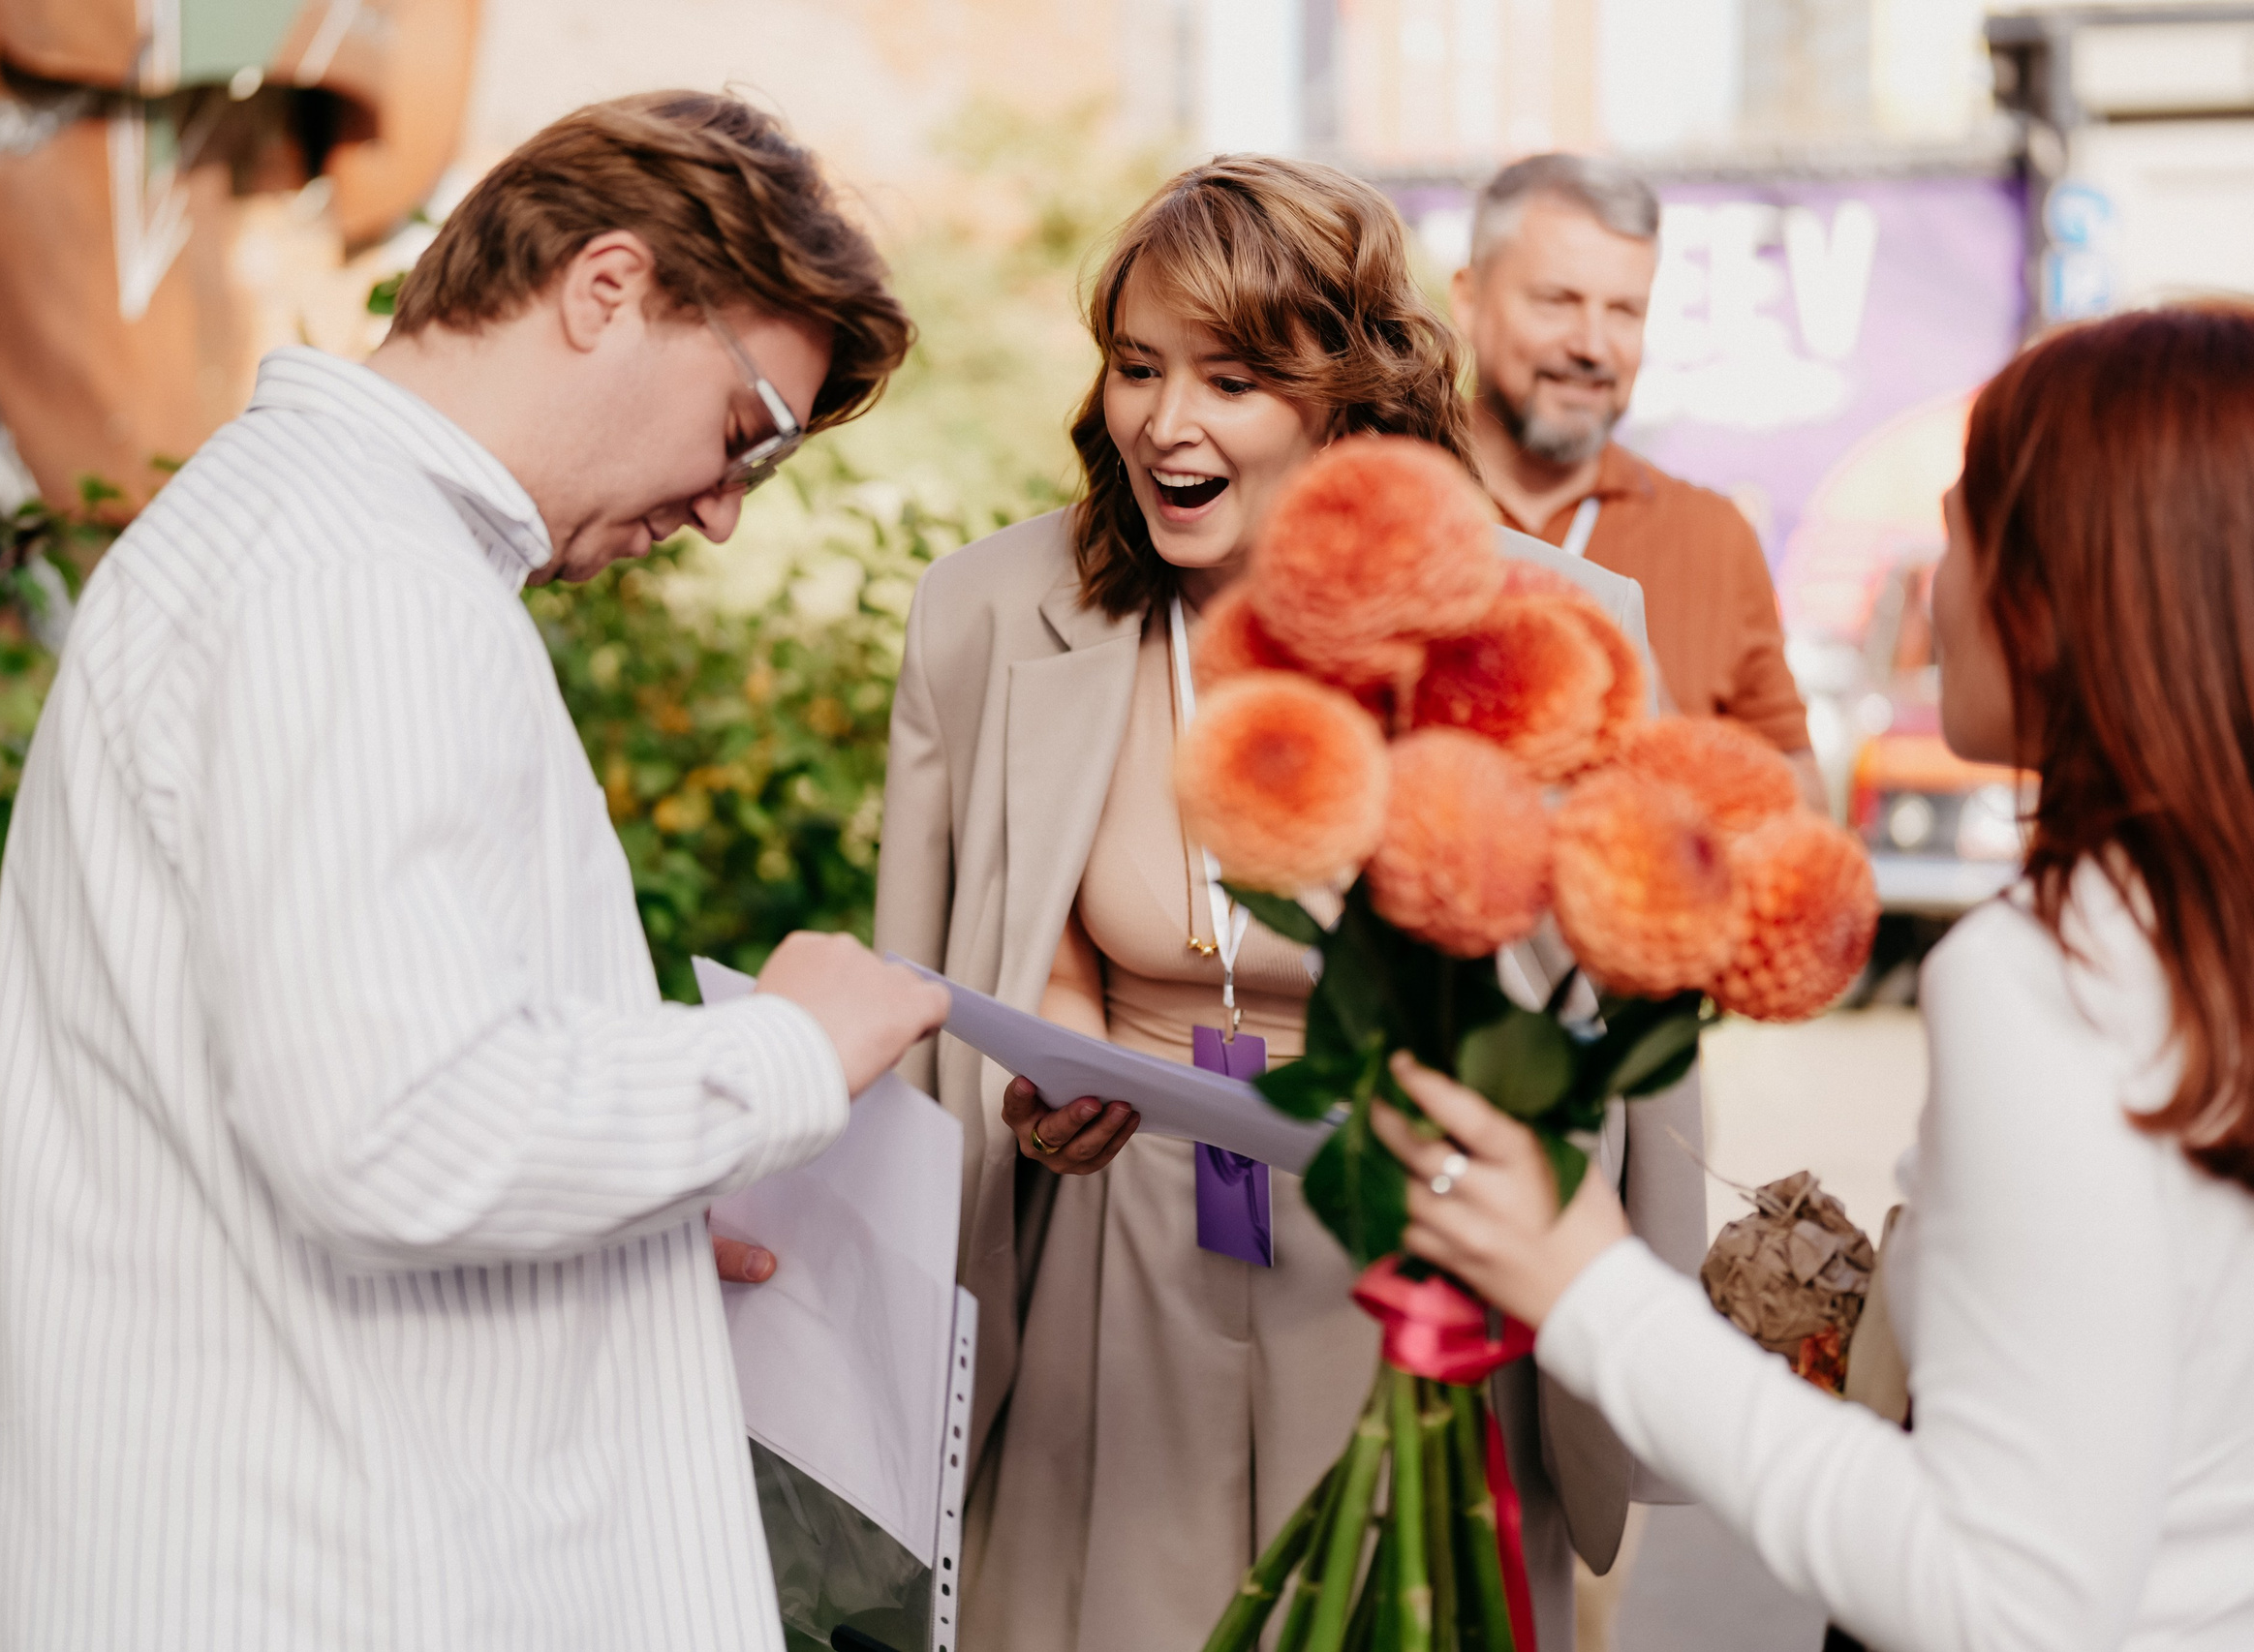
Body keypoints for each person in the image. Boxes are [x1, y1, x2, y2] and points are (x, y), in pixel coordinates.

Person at [0, 92, 949, 1651]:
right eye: (746, 429)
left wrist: (618, 1248)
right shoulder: (366, 583)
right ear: (607, 287)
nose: (720, 512)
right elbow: (393, 1130)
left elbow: (345, 1089)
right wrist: (787, 1053)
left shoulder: (293, 529)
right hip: (333, 1585)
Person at [872, 155, 1704, 1652]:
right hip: (1105, 1263)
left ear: (1349, 398)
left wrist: (1645, 1338)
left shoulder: (1557, 627)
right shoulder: (986, 613)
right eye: (1138, 366)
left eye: (1234, 379)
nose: (1165, 422)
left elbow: (1632, 1015)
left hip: (1412, 1262)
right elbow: (965, 936)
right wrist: (1051, 1051)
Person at [1378, 304, 2254, 1650]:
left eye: (1964, 530)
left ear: (2057, 597)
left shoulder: (2047, 977)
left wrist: (1586, 1280)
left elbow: (2007, 1597)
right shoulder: (2196, 931)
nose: (1936, 587)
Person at [1449, 152, 1824, 810]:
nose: (1593, 346)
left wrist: (1659, 736)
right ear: (1469, 300)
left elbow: (1806, 814)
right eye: (1557, 302)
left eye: (1624, 311)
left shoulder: (1714, 537)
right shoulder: (1386, 505)